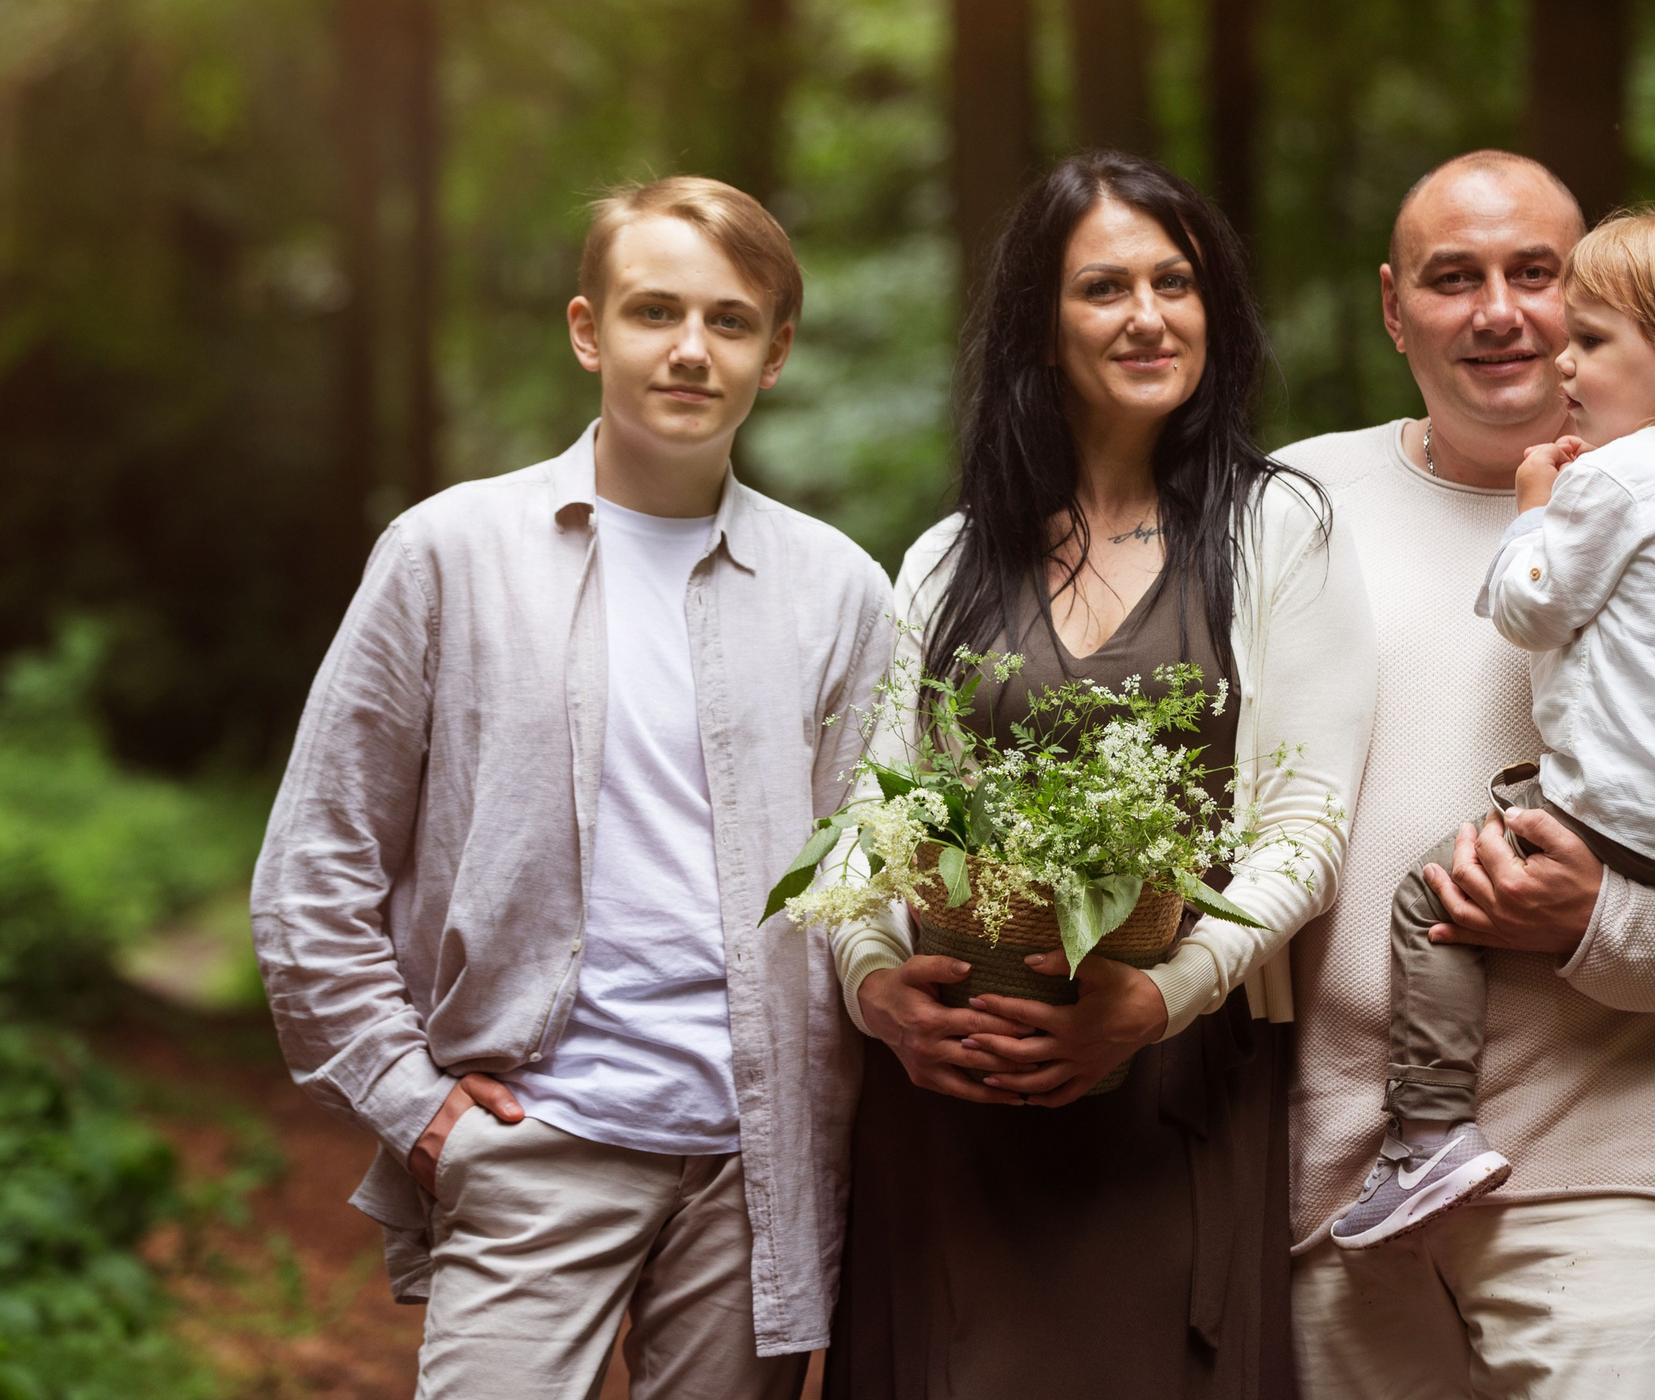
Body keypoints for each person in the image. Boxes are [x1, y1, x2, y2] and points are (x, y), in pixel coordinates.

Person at [250, 177, 896, 1398]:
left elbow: (869, 878)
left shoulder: (839, 590)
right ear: (589, 330)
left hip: (755, 1173)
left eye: (731, 320)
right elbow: (312, 872)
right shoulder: (449, 554)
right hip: (531, 1145)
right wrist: (416, 1104)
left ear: (778, 352)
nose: (691, 351)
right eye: (655, 312)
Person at [1280, 150, 1655, 1400]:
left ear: (1602, 303)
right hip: (1341, 1171)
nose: (1499, 311)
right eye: (1455, 278)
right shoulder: (1297, 497)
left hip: (1608, 1165)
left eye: (1536, 274)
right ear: (1394, 306)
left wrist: (1612, 925)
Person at [821, 151, 1376, 1400]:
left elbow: (1305, 825)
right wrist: (875, 993)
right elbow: (872, 809)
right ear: (1041, 320)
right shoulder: (950, 556)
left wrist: (1158, 999)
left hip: (1167, 1092)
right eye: (1103, 288)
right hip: (954, 1090)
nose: (1146, 316)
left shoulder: (1274, 526)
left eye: (1174, 283)